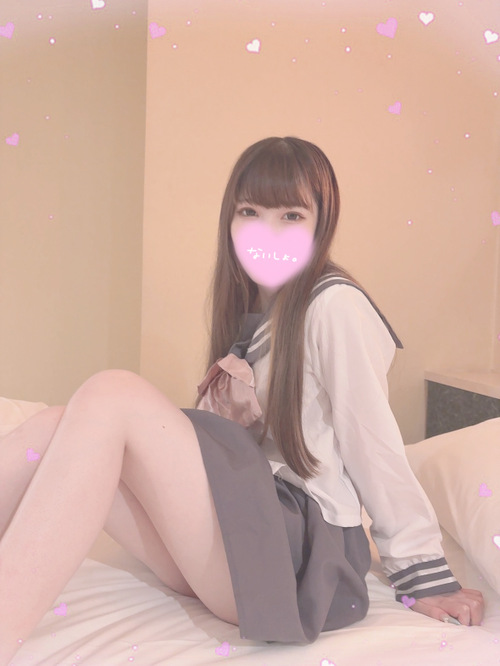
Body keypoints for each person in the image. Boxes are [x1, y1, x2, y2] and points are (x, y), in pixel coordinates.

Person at [0, 137, 483, 663]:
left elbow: (374, 444)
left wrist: (423, 574)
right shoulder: (257, 311)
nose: (266, 232)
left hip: (296, 553)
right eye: (250, 212)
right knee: (56, 425)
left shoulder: (334, 305)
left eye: (291, 215)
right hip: (242, 534)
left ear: (321, 224)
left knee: (110, 394)